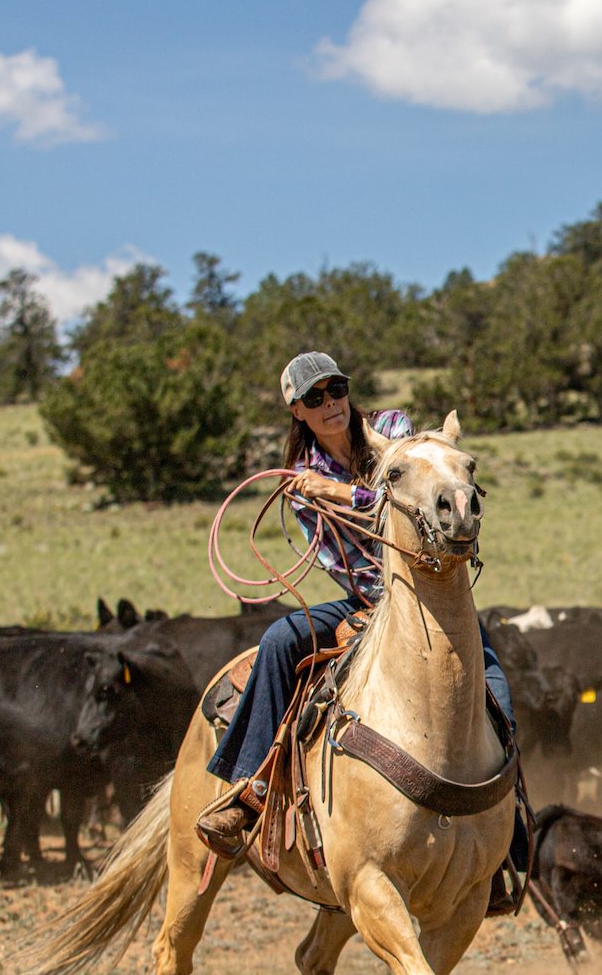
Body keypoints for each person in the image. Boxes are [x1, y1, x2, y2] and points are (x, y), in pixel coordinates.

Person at [197, 353, 522, 888]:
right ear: (297, 412)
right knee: (281, 638)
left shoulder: (391, 430)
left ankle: (505, 837)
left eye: (336, 390)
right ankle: (249, 788)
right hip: (370, 600)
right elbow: (336, 563)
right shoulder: (301, 483)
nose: (331, 404)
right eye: (315, 398)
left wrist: (342, 492)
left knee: (493, 688)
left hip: (431, 591)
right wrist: (324, 494)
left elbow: (411, 489)